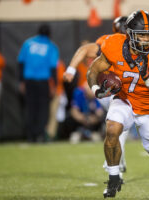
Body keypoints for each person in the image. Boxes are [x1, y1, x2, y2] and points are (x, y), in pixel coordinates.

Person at [87, 10, 149, 199]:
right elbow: (93, 70)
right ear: (129, 34)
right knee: (112, 129)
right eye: (142, 35)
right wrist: (96, 90)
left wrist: (147, 77)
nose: (146, 39)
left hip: (148, 108)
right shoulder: (113, 44)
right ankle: (113, 179)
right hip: (124, 100)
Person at [63, 17, 129, 173]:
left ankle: (119, 161)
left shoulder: (138, 43)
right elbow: (86, 49)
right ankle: (115, 163)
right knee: (120, 125)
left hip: (124, 90)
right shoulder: (110, 41)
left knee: (121, 126)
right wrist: (71, 69)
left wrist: (71, 69)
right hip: (112, 89)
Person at [18, 24, 59, 142]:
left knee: (30, 108)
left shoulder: (28, 43)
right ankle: (40, 135)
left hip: (29, 80)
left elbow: (20, 63)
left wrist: (21, 82)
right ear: (49, 34)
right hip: (43, 82)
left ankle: (30, 136)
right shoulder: (51, 46)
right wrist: (54, 86)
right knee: (43, 109)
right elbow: (53, 69)